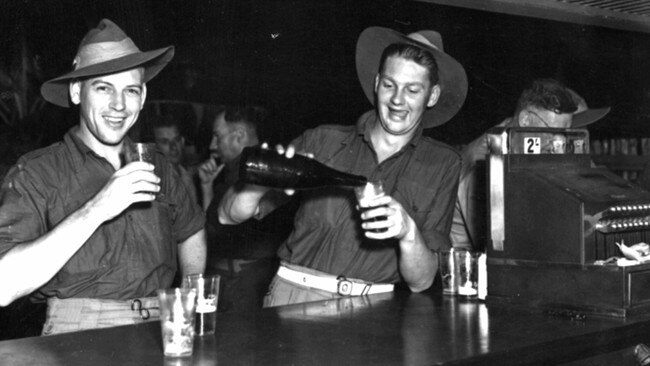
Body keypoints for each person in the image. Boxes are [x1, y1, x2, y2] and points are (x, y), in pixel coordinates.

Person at [218, 26, 466, 307]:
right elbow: (228, 216)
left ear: (431, 96)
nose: (397, 100)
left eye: (412, 90)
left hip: (375, 311)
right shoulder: (323, 140)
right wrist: (258, 183)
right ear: (376, 84)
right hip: (294, 299)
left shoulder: (443, 164)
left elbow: (421, 281)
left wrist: (408, 232)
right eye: (389, 85)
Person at [0, 19, 207, 335]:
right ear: (76, 91)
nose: (119, 105)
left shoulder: (162, 167)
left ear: (144, 94)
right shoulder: (36, 173)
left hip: (160, 327)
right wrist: (97, 208)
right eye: (103, 88)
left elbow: (192, 232)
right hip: (79, 332)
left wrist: (188, 298)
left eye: (131, 90)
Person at [450, 78, 611, 251]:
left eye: (565, 132)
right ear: (525, 120)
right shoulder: (481, 160)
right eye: (552, 132)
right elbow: (495, 245)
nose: (559, 141)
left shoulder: (542, 144)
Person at [199, 105, 296, 312]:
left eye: (217, 136)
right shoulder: (233, 171)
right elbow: (213, 225)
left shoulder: (264, 170)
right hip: (233, 281)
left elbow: (217, 229)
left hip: (245, 284)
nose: (212, 145)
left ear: (239, 135)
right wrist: (207, 188)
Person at [152, 114, 199, 204]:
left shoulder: (187, 176)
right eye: (165, 142)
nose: (173, 147)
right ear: (155, 147)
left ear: (182, 141)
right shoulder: (155, 184)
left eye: (176, 139)